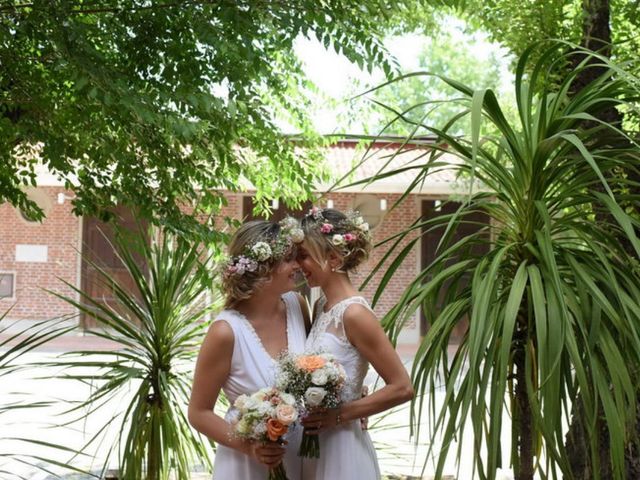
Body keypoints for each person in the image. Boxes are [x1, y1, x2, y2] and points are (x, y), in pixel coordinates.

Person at [297, 207, 414, 480]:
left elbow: (402, 387)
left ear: (333, 258)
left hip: (343, 447)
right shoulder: (321, 305)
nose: (298, 264)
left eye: (304, 255)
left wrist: (339, 414)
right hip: (315, 446)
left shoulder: (356, 314)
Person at [188, 218, 310, 479]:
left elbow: (315, 369)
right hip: (245, 466)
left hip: (299, 457)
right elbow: (198, 413)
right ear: (265, 269)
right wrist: (251, 447)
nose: (298, 265)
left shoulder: (297, 306)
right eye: (289, 259)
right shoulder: (226, 332)